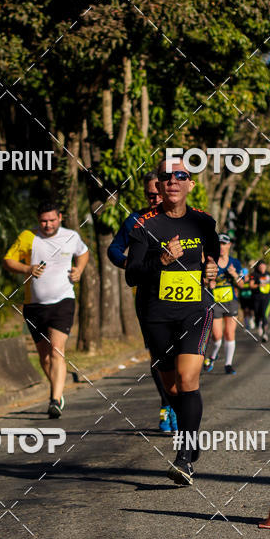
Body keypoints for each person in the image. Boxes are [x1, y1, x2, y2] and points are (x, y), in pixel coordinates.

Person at [126, 157, 219, 486]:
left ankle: (184, 456)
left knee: (188, 378)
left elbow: (213, 259)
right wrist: (162, 259)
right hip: (156, 314)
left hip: (195, 310)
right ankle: (190, 437)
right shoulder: (143, 225)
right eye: (167, 176)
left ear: (190, 184)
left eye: (181, 175)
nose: (174, 181)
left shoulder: (204, 223)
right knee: (173, 388)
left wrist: (212, 270)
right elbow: (131, 274)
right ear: (161, 186)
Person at [4, 201, 89, 418]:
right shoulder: (27, 237)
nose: (48, 225)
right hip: (34, 306)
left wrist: (78, 269)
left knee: (57, 351)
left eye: (52, 220)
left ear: (60, 217)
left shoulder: (71, 236)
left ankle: (54, 399)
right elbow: (8, 260)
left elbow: (83, 252)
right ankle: (58, 391)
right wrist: (27, 268)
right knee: (45, 358)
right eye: (43, 221)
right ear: (37, 220)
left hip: (63, 301)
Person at [107, 172, 176, 434]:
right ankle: (167, 404)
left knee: (183, 353)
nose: (155, 198)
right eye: (150, 194)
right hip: (148, 293)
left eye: (159, 193)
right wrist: (127, 263)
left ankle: (177, 401)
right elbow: (113, 249)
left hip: (183, 293)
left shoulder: (182, 216)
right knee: (159, 352)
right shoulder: (136, 220)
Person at [203, 234, 246, 375]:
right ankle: (213, 356)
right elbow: (202, 281)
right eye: (219, 244)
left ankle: (228, 364)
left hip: (231, 302)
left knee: (229, 333)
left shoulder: (235, 263)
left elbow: (241, 284)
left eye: (224, 244)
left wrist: (234, 274)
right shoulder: (210, 262)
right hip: (215, 303)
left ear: (229, 245)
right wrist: (210, 283)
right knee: (217, 337)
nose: (221, 247)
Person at [250, 260, 270, 342]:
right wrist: (259, 285)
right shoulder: (254, 274)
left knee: (264, 314)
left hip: (266, 297)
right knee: (257, 314)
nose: (262, 268)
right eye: (261, 267)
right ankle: (258, 324)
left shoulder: (268, 274)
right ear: (258, 267)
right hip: (256, 297)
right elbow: (251, 285)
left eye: (264, 266)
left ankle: (265, 334)